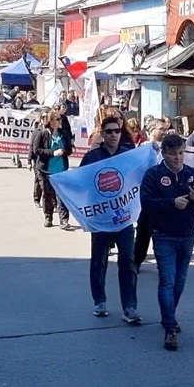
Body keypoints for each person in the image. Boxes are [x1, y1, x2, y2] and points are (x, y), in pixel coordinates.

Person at [141, 134, 194, 351]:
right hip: (164, 235)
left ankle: (168, 316)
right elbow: (146, 203)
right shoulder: (153, 174)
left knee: (180, 282)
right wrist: (171, 203)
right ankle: (170, 327)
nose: (178, 158)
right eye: (173, 154)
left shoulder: (193, 174)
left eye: (181, 153)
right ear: (164, 153)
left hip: (187, 234)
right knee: (167, 281)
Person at [79, 117, 141, 323]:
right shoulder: (92, 157)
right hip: (101, 219)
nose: (114, 134)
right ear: (102, 134)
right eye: (109, 131)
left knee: (128, 261)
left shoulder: (127, 155)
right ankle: (99, 301)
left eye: (117, 131)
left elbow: (141, 175)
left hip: (123, 219)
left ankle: (129, 307)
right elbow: (80, 182)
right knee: (99, 260)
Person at [133, 117, 168, 271]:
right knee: (143, 233)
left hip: (164, 197)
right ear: (151, 131)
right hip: (147, 198)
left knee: (162, 235)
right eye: (161, 129)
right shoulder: (142, 149)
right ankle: (136, 261)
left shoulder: (168, 148)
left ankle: (163, 264)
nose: (164, 132)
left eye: (165, 129)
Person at [32, 110, 72, 228]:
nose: (60, 121)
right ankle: (48, 217)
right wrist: (52, 153)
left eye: (61, 119)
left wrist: (63, 152)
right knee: (47, 194)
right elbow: (36, 150)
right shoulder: (42, 133)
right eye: (58, 119)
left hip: (61, 170)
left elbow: (69, 150)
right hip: (45, 170)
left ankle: (64, 220)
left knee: (62, 195)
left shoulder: (63, 134)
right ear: (51, 121)